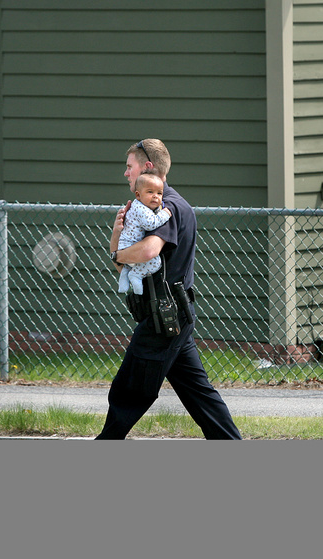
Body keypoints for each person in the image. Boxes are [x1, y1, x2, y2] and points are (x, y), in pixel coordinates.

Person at [97, 139, 242, 440]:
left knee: (128, 392)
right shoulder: (149, 207)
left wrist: (119, 254)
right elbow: (125, 266)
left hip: (163, 320)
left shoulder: (168, 206)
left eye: (130, 167)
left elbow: (148, 251)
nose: (126, 173)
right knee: (200, 395)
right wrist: (117, 237)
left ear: (147, 167)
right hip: (175, 317)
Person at [116, 171, 172, 295]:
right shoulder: (141, 209)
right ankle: (136, 275)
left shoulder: (137, 205)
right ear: (138, 195)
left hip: (125, 246)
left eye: (159, 193)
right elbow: (151, 223)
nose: (155, 196)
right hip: (131, 248)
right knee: (156, 262)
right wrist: (165, 214)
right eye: (150, 192)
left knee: (128, 266)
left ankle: (125, 276)